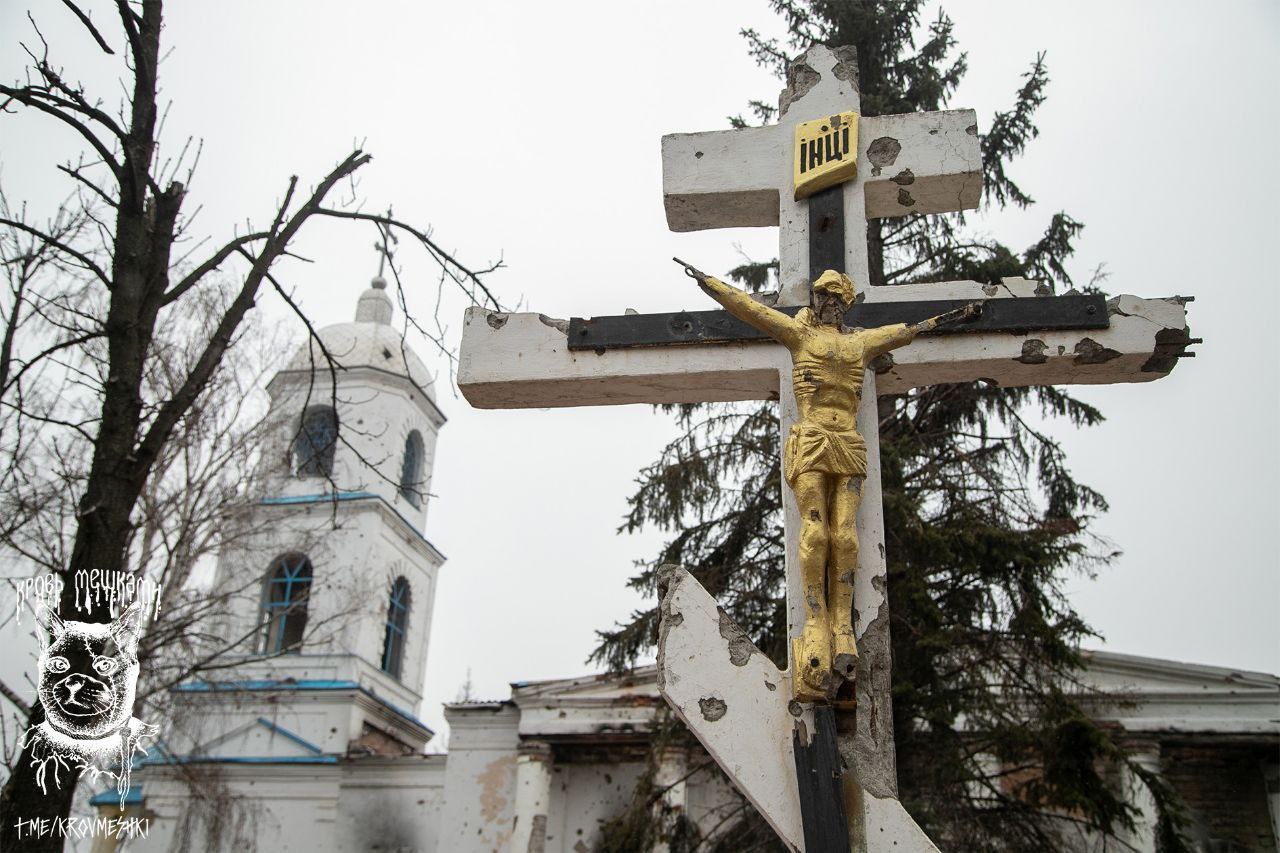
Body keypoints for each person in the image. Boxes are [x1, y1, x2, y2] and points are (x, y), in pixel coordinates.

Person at [677, 261, 980, 700]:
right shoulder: (801, 335)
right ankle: (817, 619)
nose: (828, 303)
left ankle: (842, 623)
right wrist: (709, 283)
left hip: (848, 440)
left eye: (836, 297)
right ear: (815, 300)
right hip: (812, 437)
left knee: (845, 536)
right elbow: (752, 310)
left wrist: (952, 318)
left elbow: (906, 330)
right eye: (822, 295)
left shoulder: (860, 344)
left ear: (847, 303)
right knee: (815, 530)